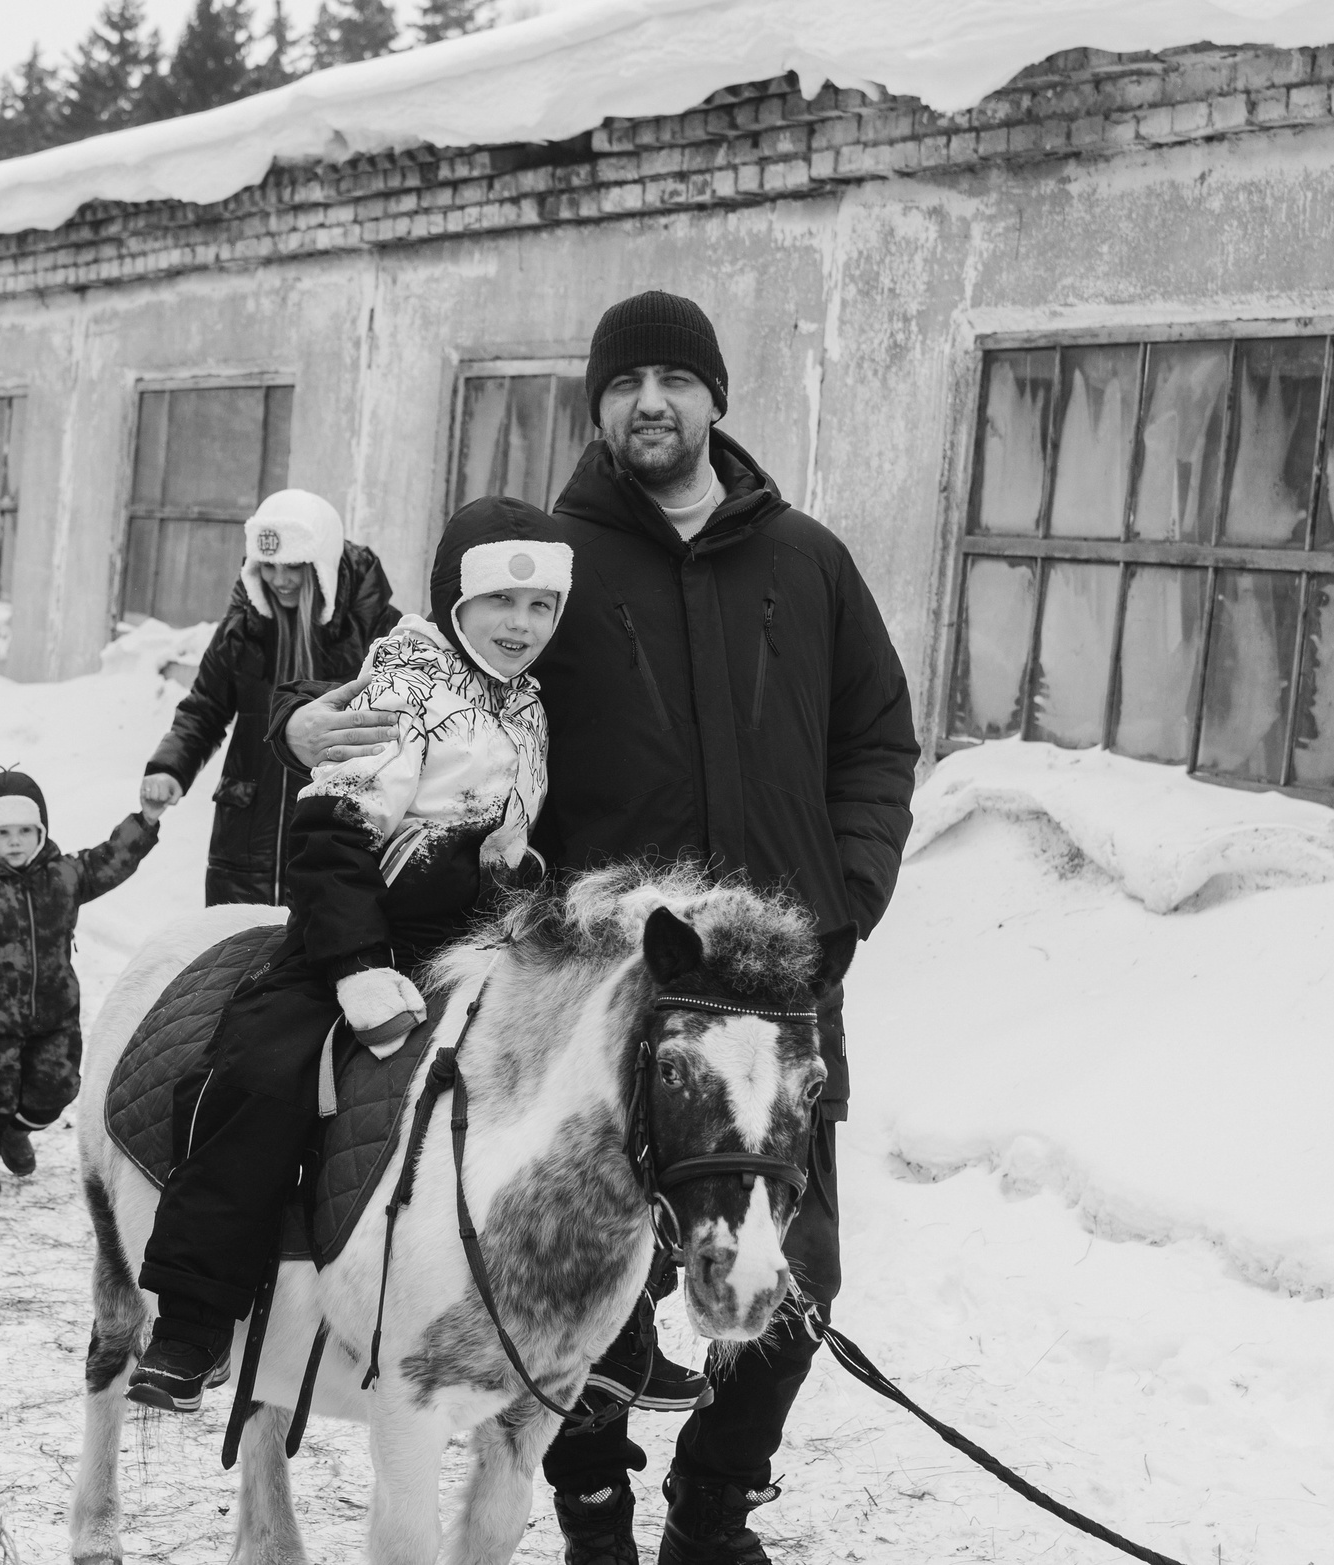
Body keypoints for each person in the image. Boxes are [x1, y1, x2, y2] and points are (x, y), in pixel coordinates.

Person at [275, 290, 919, 1565]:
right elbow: (430, 676)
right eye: (626, 385)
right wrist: (303, 713)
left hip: (772, 994)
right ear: (599, 406)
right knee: (575, 1277)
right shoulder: (553, 562)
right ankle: (590, 1510)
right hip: (597, 990)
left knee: (795, 1267)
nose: (651, 403)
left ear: (716, 398)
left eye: (676, 380)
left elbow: (877, 738)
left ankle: (716, 1506)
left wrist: (842, 901)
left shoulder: (810, 561)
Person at [130, 497, 661, 1413]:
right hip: (358, 936)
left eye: (540, 610)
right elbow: (333, 833)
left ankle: (604, 1329)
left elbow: (491, 827)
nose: (522, 625)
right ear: (456, 599)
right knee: (265, 1066)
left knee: (584, 1084)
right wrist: (351, 965)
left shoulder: (526, 703)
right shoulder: (406, 684)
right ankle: (194, 1316)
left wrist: (513, 864)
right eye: (501, 602)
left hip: (473, 944)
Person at [140, 489, 401, 907]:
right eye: (269, 566)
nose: (280, 580)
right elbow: (205, 708)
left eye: (295, 566)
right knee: (236, 957)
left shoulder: (374, 629)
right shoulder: (243, 627)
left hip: (335, 835)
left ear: (323, 565)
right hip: (246, 838)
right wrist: (171, 767)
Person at [0, 768, 165, 1198]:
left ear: (41, 831)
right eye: (2, 833)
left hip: (54, 1015)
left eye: (24, 831)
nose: (14, 841)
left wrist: (144, 820)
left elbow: (110, 859)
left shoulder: (64, 876)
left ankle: (16, 1130)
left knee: (58, 1087)